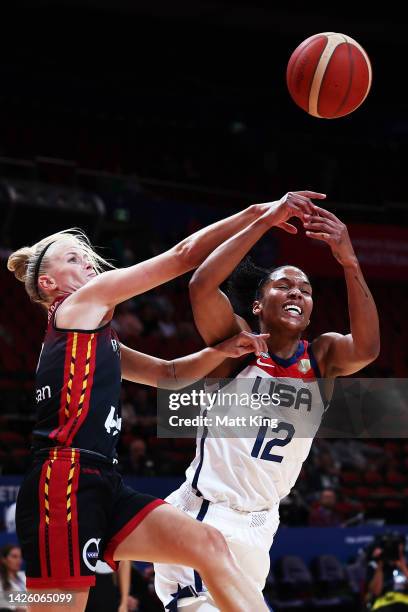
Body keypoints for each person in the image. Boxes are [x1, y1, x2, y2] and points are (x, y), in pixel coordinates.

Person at [7, 203, 281, 612]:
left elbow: (169, 374)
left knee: (208, 544)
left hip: (103, 479)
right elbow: (183, 257)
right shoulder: (76, 307)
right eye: (72, 258)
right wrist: (261, 215)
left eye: (85, 256)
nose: (86, 263)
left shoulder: (97, 334)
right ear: (48, 283)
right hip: (61, 483)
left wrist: (223, 349)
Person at [154, 191, 380, 610]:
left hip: (261, 525)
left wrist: (349, 261)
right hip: (207, 513)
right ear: (258, 304)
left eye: (305, 289)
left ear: (310, 311)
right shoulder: (235, 347)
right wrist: (263, 220)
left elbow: (366, 349)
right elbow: (201, 285)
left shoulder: (321, 357)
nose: (296, 292)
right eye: (283, 285)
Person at [365, 533, 408, 610]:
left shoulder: (405, 563)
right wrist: (380, 566)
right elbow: (376, 592)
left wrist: (403, 567)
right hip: (383, 604)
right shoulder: (374, 565)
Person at [0, 544, 26, 611]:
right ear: (3, 559)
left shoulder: (24, 575)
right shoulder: (1, 582)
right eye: (14, 557)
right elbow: (11, 608)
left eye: (20, 557)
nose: (19, 560)